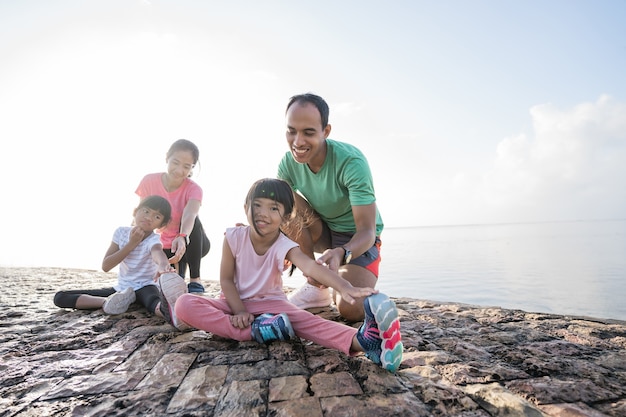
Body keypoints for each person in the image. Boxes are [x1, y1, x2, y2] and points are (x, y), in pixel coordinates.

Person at [175, 178, 403, 372]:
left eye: (274, 208)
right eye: (257, 205)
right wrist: (240, 311)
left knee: (310, 322)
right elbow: (225, 279)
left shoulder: (285, 245)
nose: (263, 214)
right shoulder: (233, 236)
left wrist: (345, 287)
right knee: (184, 304)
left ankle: (367, 341)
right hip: (234, 303)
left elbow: (312, 268)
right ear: (246, 207)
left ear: (285, 217)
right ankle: (252, 332)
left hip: (274, 308)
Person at [277, 93, 384, 322]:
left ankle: (356, 291)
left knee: (350, 308)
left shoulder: (350, 162)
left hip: (357, 239)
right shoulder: (288, 163)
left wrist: (342, 252)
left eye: (308, 132)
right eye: (291, 131)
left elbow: (367, 231)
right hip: (323, 231)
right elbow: (280, 215)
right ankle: (315, 284)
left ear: (325, 131)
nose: (298, 142)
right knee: (281, 197)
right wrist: (253, 232)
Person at [53, 196, 189, 330]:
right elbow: (106, 266)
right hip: (123, 290)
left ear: (161, 225)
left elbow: (157, 252)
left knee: (153, 301)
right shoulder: (121, 232)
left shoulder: (154, 239)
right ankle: (108, 303)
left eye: (157, 216)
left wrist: (163, 265)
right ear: (135, 211)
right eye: (146, 211)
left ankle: (174, 314)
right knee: (60, 297)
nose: (149, 217)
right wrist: (131, 244)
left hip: (145, 286)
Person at [136, 139, 210, 294]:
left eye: (186, 166)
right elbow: (141, 213)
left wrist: (182, 236)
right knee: (170, 284)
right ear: (167, 159)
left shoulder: (194, 189)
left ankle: (195, 279)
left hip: (189, 244)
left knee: (195, 221)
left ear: (192, 168)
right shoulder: (149, 181)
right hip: (161, 246)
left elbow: (190, 214)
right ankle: (179, 272)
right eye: (175, 163)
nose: (179, 170)